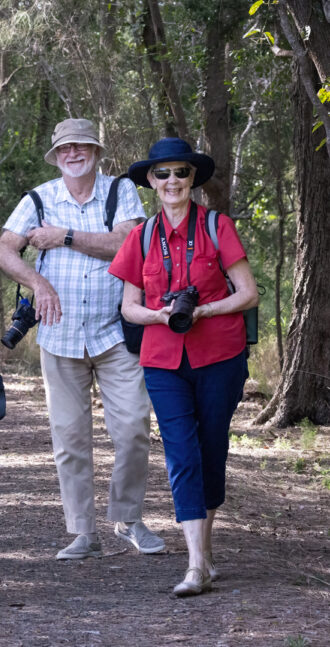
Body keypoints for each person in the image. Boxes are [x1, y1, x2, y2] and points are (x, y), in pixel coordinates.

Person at [0, 118, 165, 561]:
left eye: (81, 146)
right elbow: (3, 250)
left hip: (115, 333)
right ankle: (83, 533)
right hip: (59, 335)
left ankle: (128, 519)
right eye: (65, 148)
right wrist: (39, 284)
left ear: (96, 151)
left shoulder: (119, 191)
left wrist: (63, 236)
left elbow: (129, 244)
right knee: (70, 439)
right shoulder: (39, 197)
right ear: (56, 155)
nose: (73, 153)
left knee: (132, 431)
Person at [109, 137, 258, 596]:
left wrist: (204, 311)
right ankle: (195, 566)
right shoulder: (141, 236)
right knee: (181, 454)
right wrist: (160, 315)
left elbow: (248, 292)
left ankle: (206, 554)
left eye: (181, 172)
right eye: (163, 173)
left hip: (220, 356)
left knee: (211, 449)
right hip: (162, 360)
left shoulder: (217, 226)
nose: (172, 181)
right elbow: (129, 306)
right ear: (151, 182)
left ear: (193, 178)